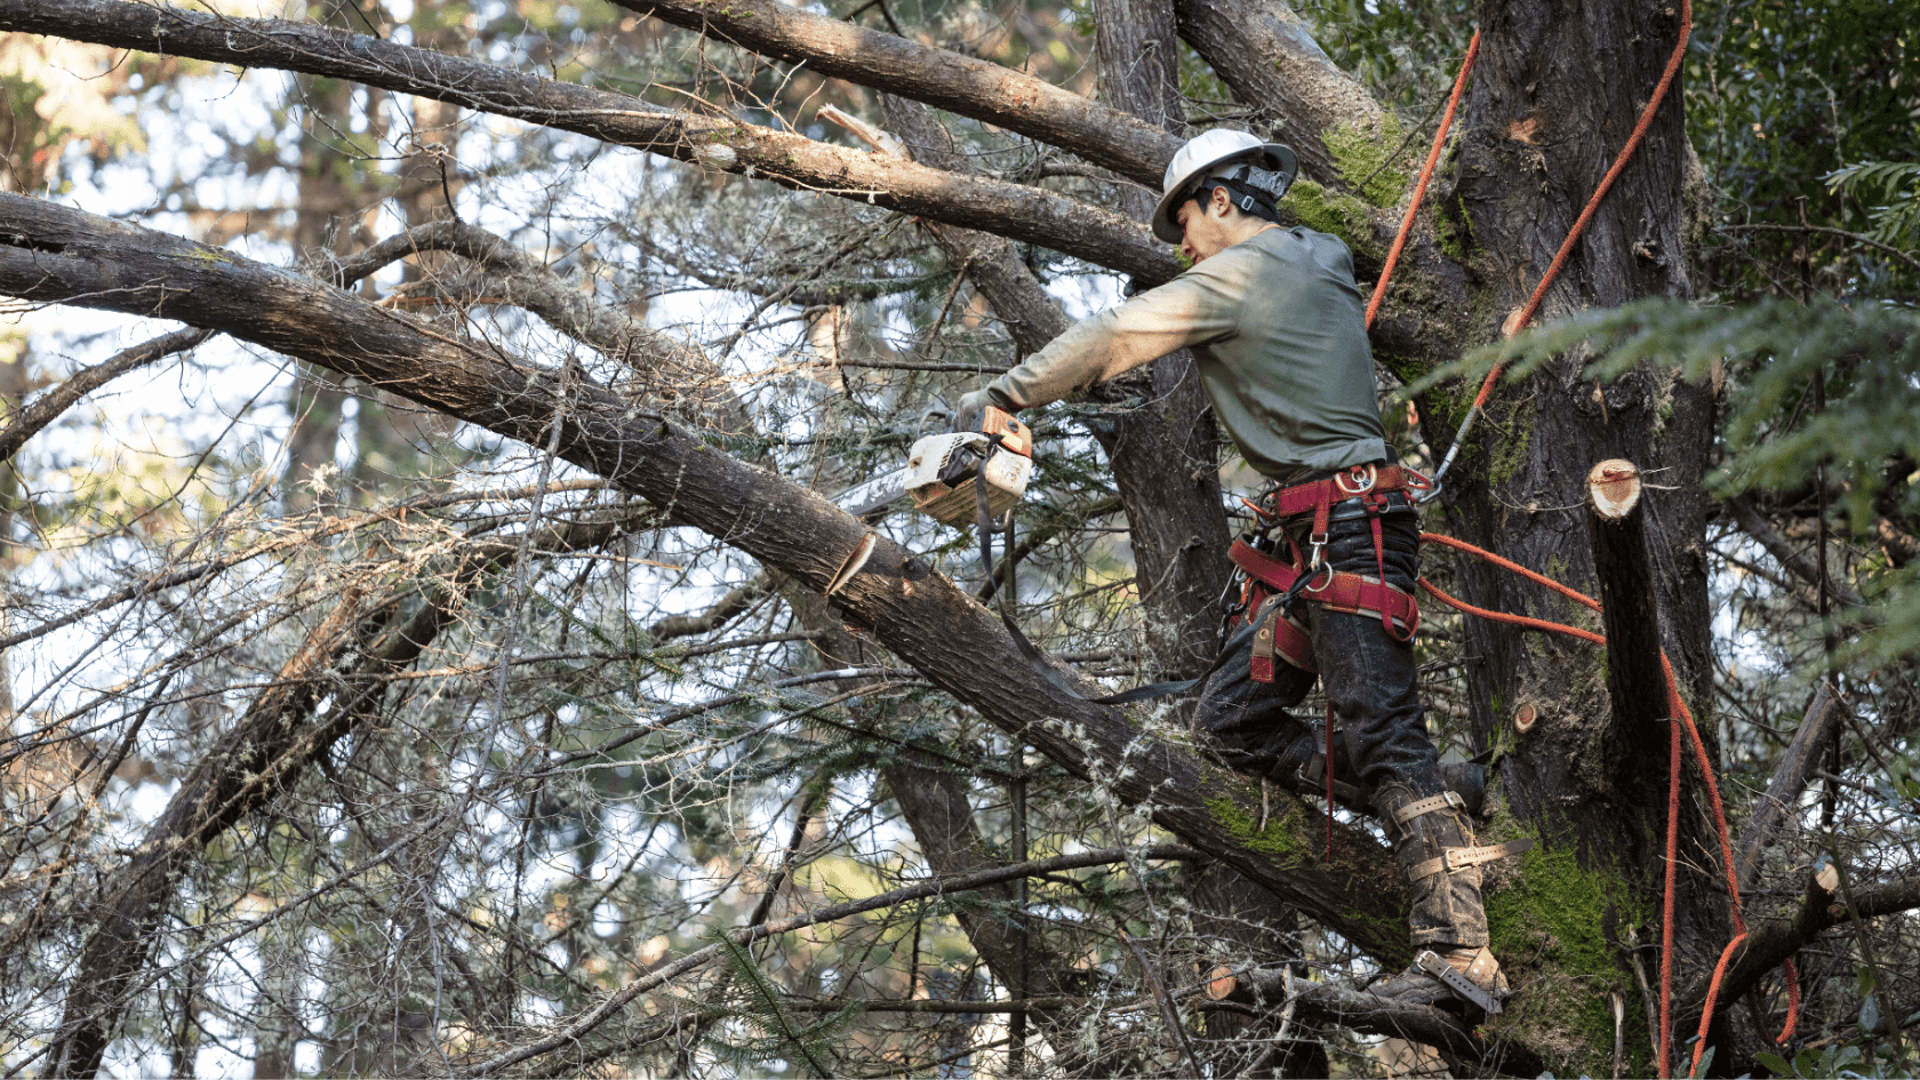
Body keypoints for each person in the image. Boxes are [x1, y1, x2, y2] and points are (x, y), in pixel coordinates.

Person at [955, 129, 1524, 1013]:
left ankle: (1460, 952)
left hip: (1347, 529)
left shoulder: (1237, 277)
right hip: (1324, 535)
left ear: (1222, 200)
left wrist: (1004, 397)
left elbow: (1112, 335)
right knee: (1231, 723)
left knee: (1379, 725)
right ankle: (1446, 792)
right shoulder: (1320, 257)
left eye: (1184, 220)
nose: (1180, 246)